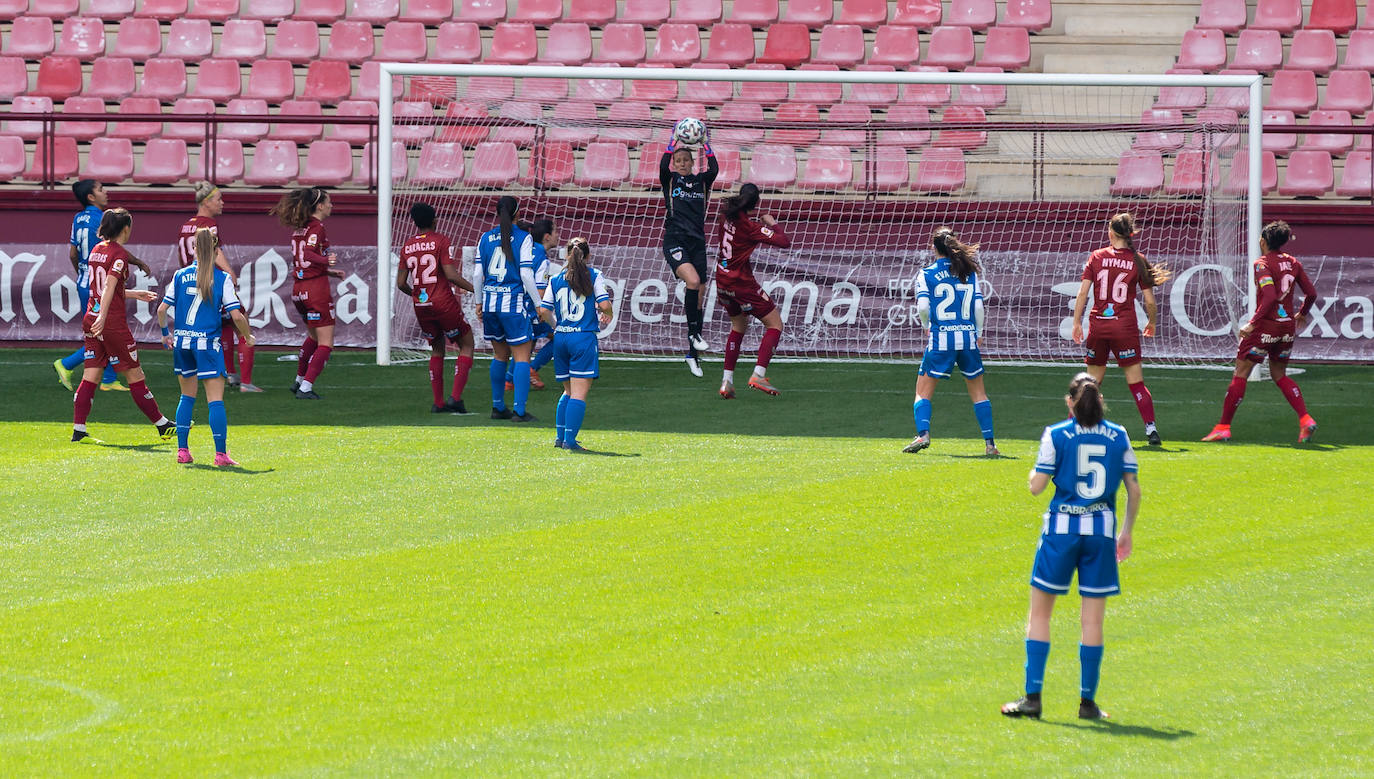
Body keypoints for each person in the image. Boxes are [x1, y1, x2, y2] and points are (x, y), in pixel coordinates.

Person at [1002, 373, 1140, 722]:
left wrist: (1033, 472)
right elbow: (1134, 489)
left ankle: (1033, 698)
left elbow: (1036, 487)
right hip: (1101, 533)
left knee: (1040, 615)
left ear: (1070, 402)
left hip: (1061, 532)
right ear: (1100, 400)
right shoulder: (1119, 435)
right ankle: (1087, 703)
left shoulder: (1056, 434)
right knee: (1091, 621)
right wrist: (1125, 533)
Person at [1202, 220, 1319, 443]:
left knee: (1241, 373)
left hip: (1266, 326)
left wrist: (1252, 323)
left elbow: (1269, 297)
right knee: (1279, 374)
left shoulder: (1262, 263)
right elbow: (1311, 293)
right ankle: (1305, 419)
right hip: (1286, 327)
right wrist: (1302, 313)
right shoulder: (1293, 263)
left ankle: (1223, 427)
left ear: (1263, 241)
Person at [71, 208, 175, 443]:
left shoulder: (97, 250)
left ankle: (79, 429)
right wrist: (104, 316)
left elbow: (103, 288)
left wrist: (133, 294)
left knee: (91, 375)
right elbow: (108, 287)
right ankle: (162, 425)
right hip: (110, 323)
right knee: (135, 374)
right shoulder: (118, 254)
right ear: (125, 229)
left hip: (91, 317)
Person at [157, 227, 255, 465]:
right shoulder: (221, 278)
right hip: (207, 345)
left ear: (193, 249)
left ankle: (183, 451)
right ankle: (220, 454)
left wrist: (164, 334)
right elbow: (237, 315)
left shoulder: (180, 275)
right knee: (215, 400)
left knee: (186, 397)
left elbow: (162, 309)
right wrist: (247, 336)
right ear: (215, 249)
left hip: (182, 342)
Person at [1071, 213, 1170, 446]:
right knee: (1136, 383)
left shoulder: (1096, 257)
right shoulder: (1137, 259)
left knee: (1090, 383)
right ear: (1130, 234)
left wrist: (1076, 322)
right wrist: (1152, 322)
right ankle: (1151, 429)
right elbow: (1150, 301)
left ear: (1111, 233)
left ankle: (1074, 427)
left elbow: (1083, 293)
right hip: (1124, 328)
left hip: (1099, 327)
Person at [904, 227, 998, 456]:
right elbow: (978, 306)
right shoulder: (968, 271)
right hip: (967, 338)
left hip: (941, 339)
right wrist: (979, 331)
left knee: (922, 391)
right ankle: (990, 445)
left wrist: (927, 326)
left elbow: (923, 307)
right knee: (979, 393)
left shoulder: (926, 273)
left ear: (934, 248)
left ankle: (923, 434)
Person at [178, 182, 259, 392]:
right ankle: (247, 383)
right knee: (241, 323)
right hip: (211, 281)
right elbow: (215, 251)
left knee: (222, 327)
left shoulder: (186, 225)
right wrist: (230, 273)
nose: (222, 203)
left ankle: (230, 374)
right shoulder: (208, 224)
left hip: (192, 285)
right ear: (206, 201)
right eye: (218, 199)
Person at [396, 202, 476, 414]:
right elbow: (450, 274)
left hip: (421, 306)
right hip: (443, 302)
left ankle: (438, 403)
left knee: (437, 348)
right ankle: (455, 399)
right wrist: (473, 288)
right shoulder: (440, 240)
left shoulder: (407, 246)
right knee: (467, 344)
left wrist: (416, 294)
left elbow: (401, 283)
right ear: (435, 220)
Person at [714, 183, 790, 398]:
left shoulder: (725, 216)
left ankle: (726, 382)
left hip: (721, 281)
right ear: (756, 204)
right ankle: (758, 374)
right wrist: (772, 224)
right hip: (741, 284)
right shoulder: (751, 227)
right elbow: (784, 242)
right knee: (775, 324)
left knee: (738, 326)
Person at [538, 237, 613, 452]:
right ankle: (570, 441)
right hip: (582, 337)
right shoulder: (594, 275)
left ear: (566, 255)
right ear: (588, 256)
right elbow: (604, 303)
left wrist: (556, 327)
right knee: (578, 393)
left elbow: (543, 310)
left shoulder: (555, 278)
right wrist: (608, 313)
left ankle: (561, 438)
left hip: (561, 338)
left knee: (568, 391)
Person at [269, 186, 343, 400]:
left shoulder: (299, 229)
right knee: (326, 343)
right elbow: (310, 254)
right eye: (328, 201)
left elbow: (303, 258)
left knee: (312, 336)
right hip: (315, 289)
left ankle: (300, 380)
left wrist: (329, 271)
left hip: (299, 289)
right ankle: (306, 388)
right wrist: (325, 261)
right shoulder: (317, 227)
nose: (331, 205)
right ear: (319, 206)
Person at [660, 121, 719, 377]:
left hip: (698, 242)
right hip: (675, 240)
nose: (682, 164)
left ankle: (692, 355)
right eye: (679, 160)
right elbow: (662, 165)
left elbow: (715, 168)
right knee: (693, 282)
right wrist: (672, 140)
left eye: (686, 160)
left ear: (693, 163)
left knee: (700, 296)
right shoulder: (670, 180)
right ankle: (693, 334)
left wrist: (705, 143)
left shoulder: (702, 182)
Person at [475, 195, 542, 422]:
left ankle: (497, 407)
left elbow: (477, 274)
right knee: (522, 357)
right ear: (518, 213)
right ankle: (519, 411)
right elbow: (525, 273)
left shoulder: (485, 237)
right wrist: (539, 304)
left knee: (499, 355)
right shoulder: (524, 237)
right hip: (512, 303)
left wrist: (478, 302)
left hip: (490, 302)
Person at [54, 180, 124, 392]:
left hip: (84, 281)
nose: (106, 193)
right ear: (91, 197)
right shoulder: (103, 219)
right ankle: (66, 364)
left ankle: (109, 379)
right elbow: (108, 250)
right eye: (101, 190)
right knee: (104, 331)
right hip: (98, 284)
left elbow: (73, 254)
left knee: (104, 330)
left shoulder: (78, 218)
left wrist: (83, 272)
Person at [506, 218, 558, 392]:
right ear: (547, 237)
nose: (558, 236)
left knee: (526, 344)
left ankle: (508, 380)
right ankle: (531, 369)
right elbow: (541, 294)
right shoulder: (542, 259)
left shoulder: (524, 250)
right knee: (558, 338)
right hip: (532, 309)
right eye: (555, 232)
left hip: (515, 305)